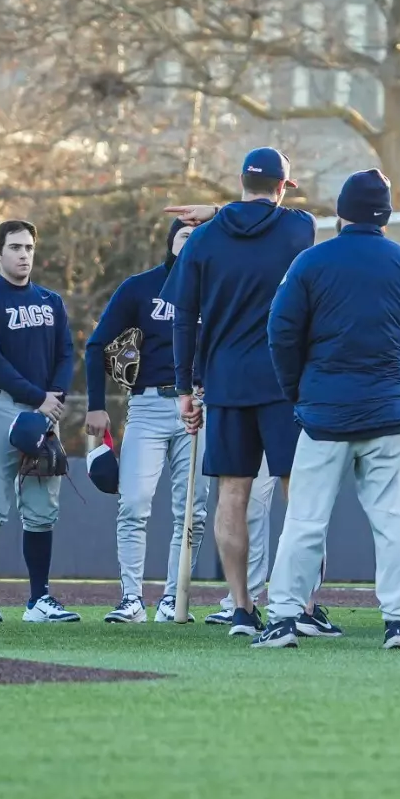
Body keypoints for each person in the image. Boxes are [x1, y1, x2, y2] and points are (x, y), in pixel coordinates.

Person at [256, 170, 400, 650]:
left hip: (323, 415)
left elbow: (281, 333)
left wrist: (299, 391)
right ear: (385, 214)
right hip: (386, 414)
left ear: (341, 212)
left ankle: (282, 619)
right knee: (394, 522)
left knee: (305, 521)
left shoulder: (311, 262)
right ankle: (399, 623)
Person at [172, 147, 320, 638]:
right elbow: (296, 218)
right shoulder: (298, 230)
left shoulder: (203, 239)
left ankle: (240, 607)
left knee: (231, 496)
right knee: (297, 495)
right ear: (282, 186)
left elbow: (183, 318)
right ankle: (300, 604)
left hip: (225, 380)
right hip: (285, 381)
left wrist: (183, 387)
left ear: (240, 181)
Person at [84, 221, 205, 624]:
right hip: (150, 405)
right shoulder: (141, 286)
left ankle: (174, 598)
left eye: (200, 233)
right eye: (185, 233)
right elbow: (96, 344)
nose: (191, 239)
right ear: (170, 240)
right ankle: (131, 599)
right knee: (133, 503)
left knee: (192, 512)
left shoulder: (218, 287)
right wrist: (97, 405)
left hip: (201, 409)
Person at [0, 220, 78, 623]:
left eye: (29, 247)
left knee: (42, 509)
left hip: (45, 410)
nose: (24, 254)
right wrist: (38, 397)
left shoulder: (50, 301)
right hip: (1, 407)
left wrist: (55, 396)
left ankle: (39, 600)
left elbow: (66, 352)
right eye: (14, 247)